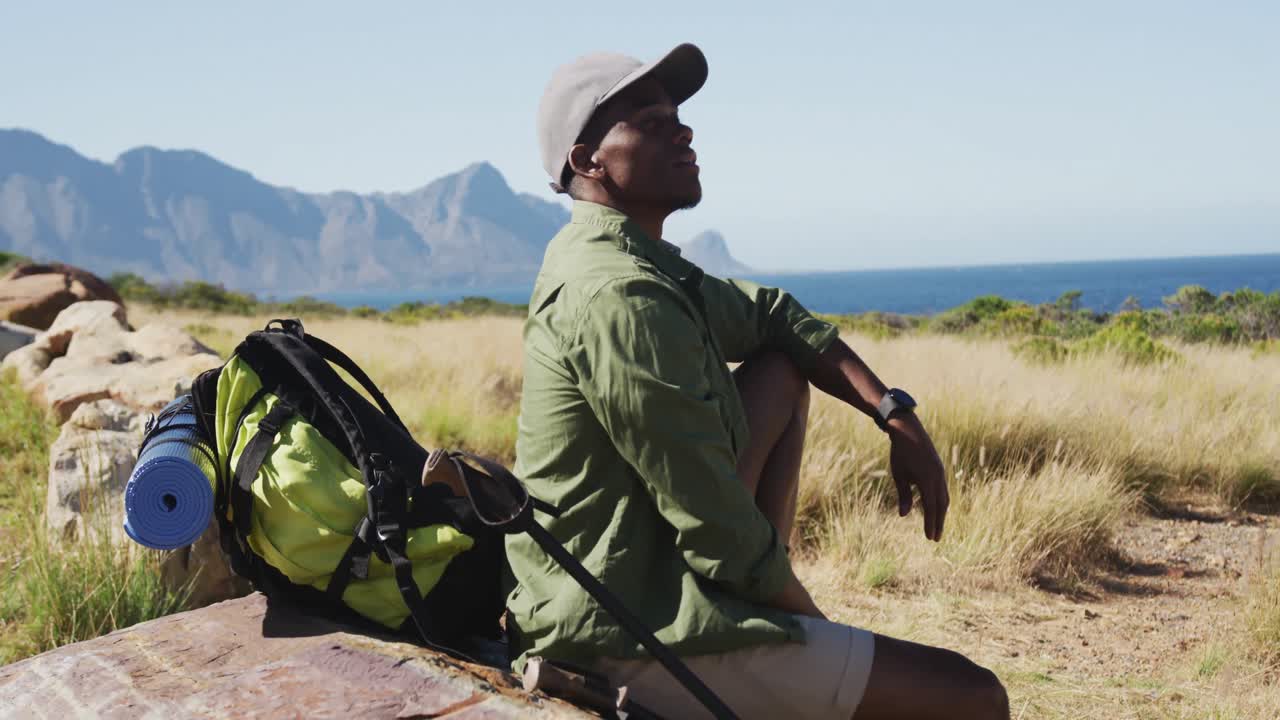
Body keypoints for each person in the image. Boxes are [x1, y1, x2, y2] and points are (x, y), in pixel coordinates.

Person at [505, 43, 1010, 719]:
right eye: (651, 124)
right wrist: (815, 622)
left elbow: (773, 319)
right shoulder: (617, 295)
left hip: (658, 589)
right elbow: (713, 524)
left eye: (678, 117)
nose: (683, 131)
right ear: (587, 161)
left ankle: (778, 637)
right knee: (972, 696)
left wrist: (893, 412)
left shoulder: (638, 264)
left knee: (779, 371)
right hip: (628, 630)